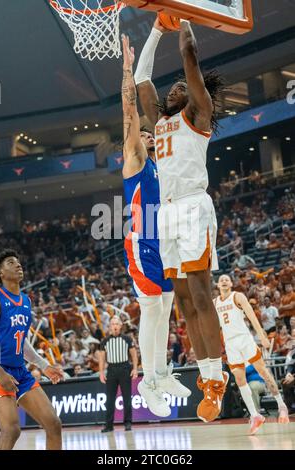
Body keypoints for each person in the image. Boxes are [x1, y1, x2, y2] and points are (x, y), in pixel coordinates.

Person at [134, 15, 228, 423]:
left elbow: (189, 55)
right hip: (166, 214)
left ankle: (215, 378)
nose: (176, 86)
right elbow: (141, 78)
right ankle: (209, 377)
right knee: (184, 304)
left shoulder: (198, 115)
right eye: (172, 87)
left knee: (202, 295)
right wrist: (157, 28)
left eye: (183, 86)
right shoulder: (159, 121)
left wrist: (185, 15)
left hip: (192, 206)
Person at [121, 34, 191, 418]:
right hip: (141, 241)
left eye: (151, 135)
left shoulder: (158, 166)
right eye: (145, 135)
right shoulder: (133, 158)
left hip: (162, 241)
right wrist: (128, 72)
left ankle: (161, 373)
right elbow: (129, 112)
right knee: (152, 308)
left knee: (165, 307)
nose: (148, 136)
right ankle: (147, 381)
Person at [0, 249, 64, 450]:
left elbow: (21, 341)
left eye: (18, 262)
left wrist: (43, 365)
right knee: (11, 430)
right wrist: (0, 374)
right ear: (0, 273)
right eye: (10, 262)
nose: (18, 265)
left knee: (53, 424)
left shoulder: (26, 301)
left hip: (20, 373)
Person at [215, 274, 289, 435]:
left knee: (263, 371)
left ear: (231, 283)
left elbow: (251, 316)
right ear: (217, 285)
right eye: (221, 279)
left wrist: (262, 336)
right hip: (230, 344)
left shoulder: (237, 296)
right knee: (239, 380)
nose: (224, 280)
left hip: (244, 339)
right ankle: (255, 415)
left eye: (227, 279)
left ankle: (281, 405)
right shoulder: (215, 303)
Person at [99, 316, 138, 432]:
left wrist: (135, 369)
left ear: (121, 326)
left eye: (117, 324)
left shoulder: (127, 339)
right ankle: (109, 425)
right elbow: (101, 358)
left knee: (127, 397)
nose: (115, 326)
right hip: (111, 369)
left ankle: (128, 422)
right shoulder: (105, 341)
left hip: (124, 368)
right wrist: (101, 372)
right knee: (110, 399)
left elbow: (134, 355)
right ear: (110, 326)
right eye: (112, 324)